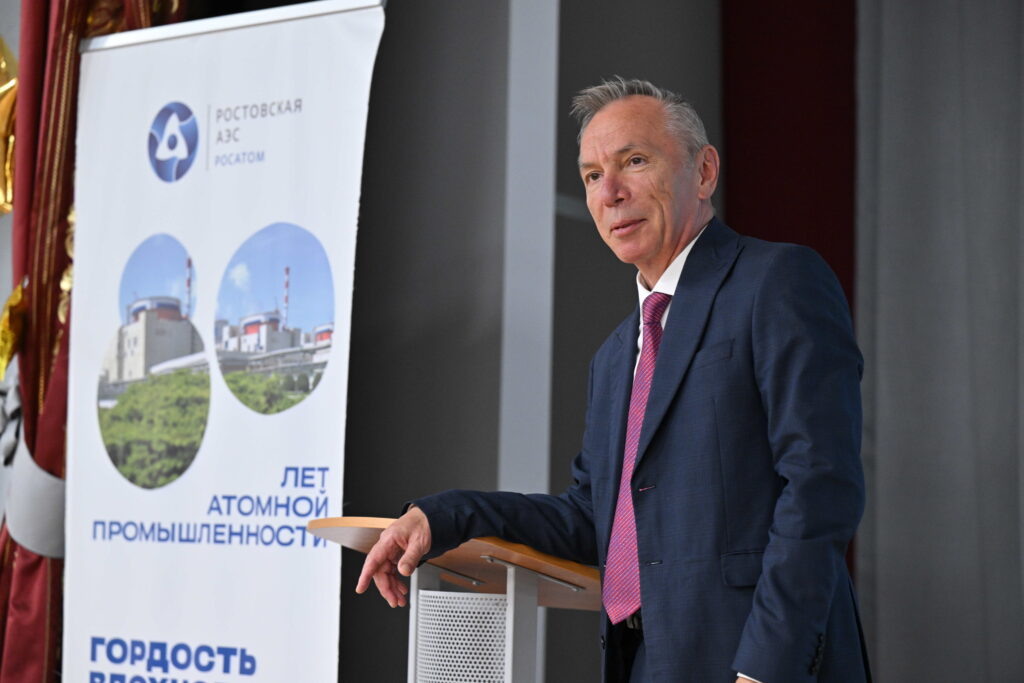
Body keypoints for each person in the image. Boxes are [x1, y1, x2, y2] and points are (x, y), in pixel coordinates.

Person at [356, 77, 871, 683]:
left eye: (635, 161)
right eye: (593, 175)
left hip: (754, 659)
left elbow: (819, 484)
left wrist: (766, 668)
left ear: (704, 172)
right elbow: (593, 519)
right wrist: (443, 516)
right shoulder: (614, 356)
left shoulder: (777, 281)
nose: (610, 193)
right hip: (645, 661)